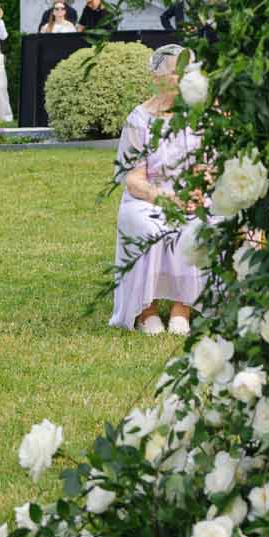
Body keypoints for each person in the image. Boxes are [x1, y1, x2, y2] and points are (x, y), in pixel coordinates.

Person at [110, 46, 205, 334]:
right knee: (146, 227)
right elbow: (133, 179)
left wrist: (198, 191)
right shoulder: (140, 119)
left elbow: (208, 165)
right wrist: (164, 198)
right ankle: (144, 309)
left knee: (196, 225)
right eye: (176, 72)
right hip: (148, 196)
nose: (182, 78)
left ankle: (182, 306)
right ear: (157, 77)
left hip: (189, 194)